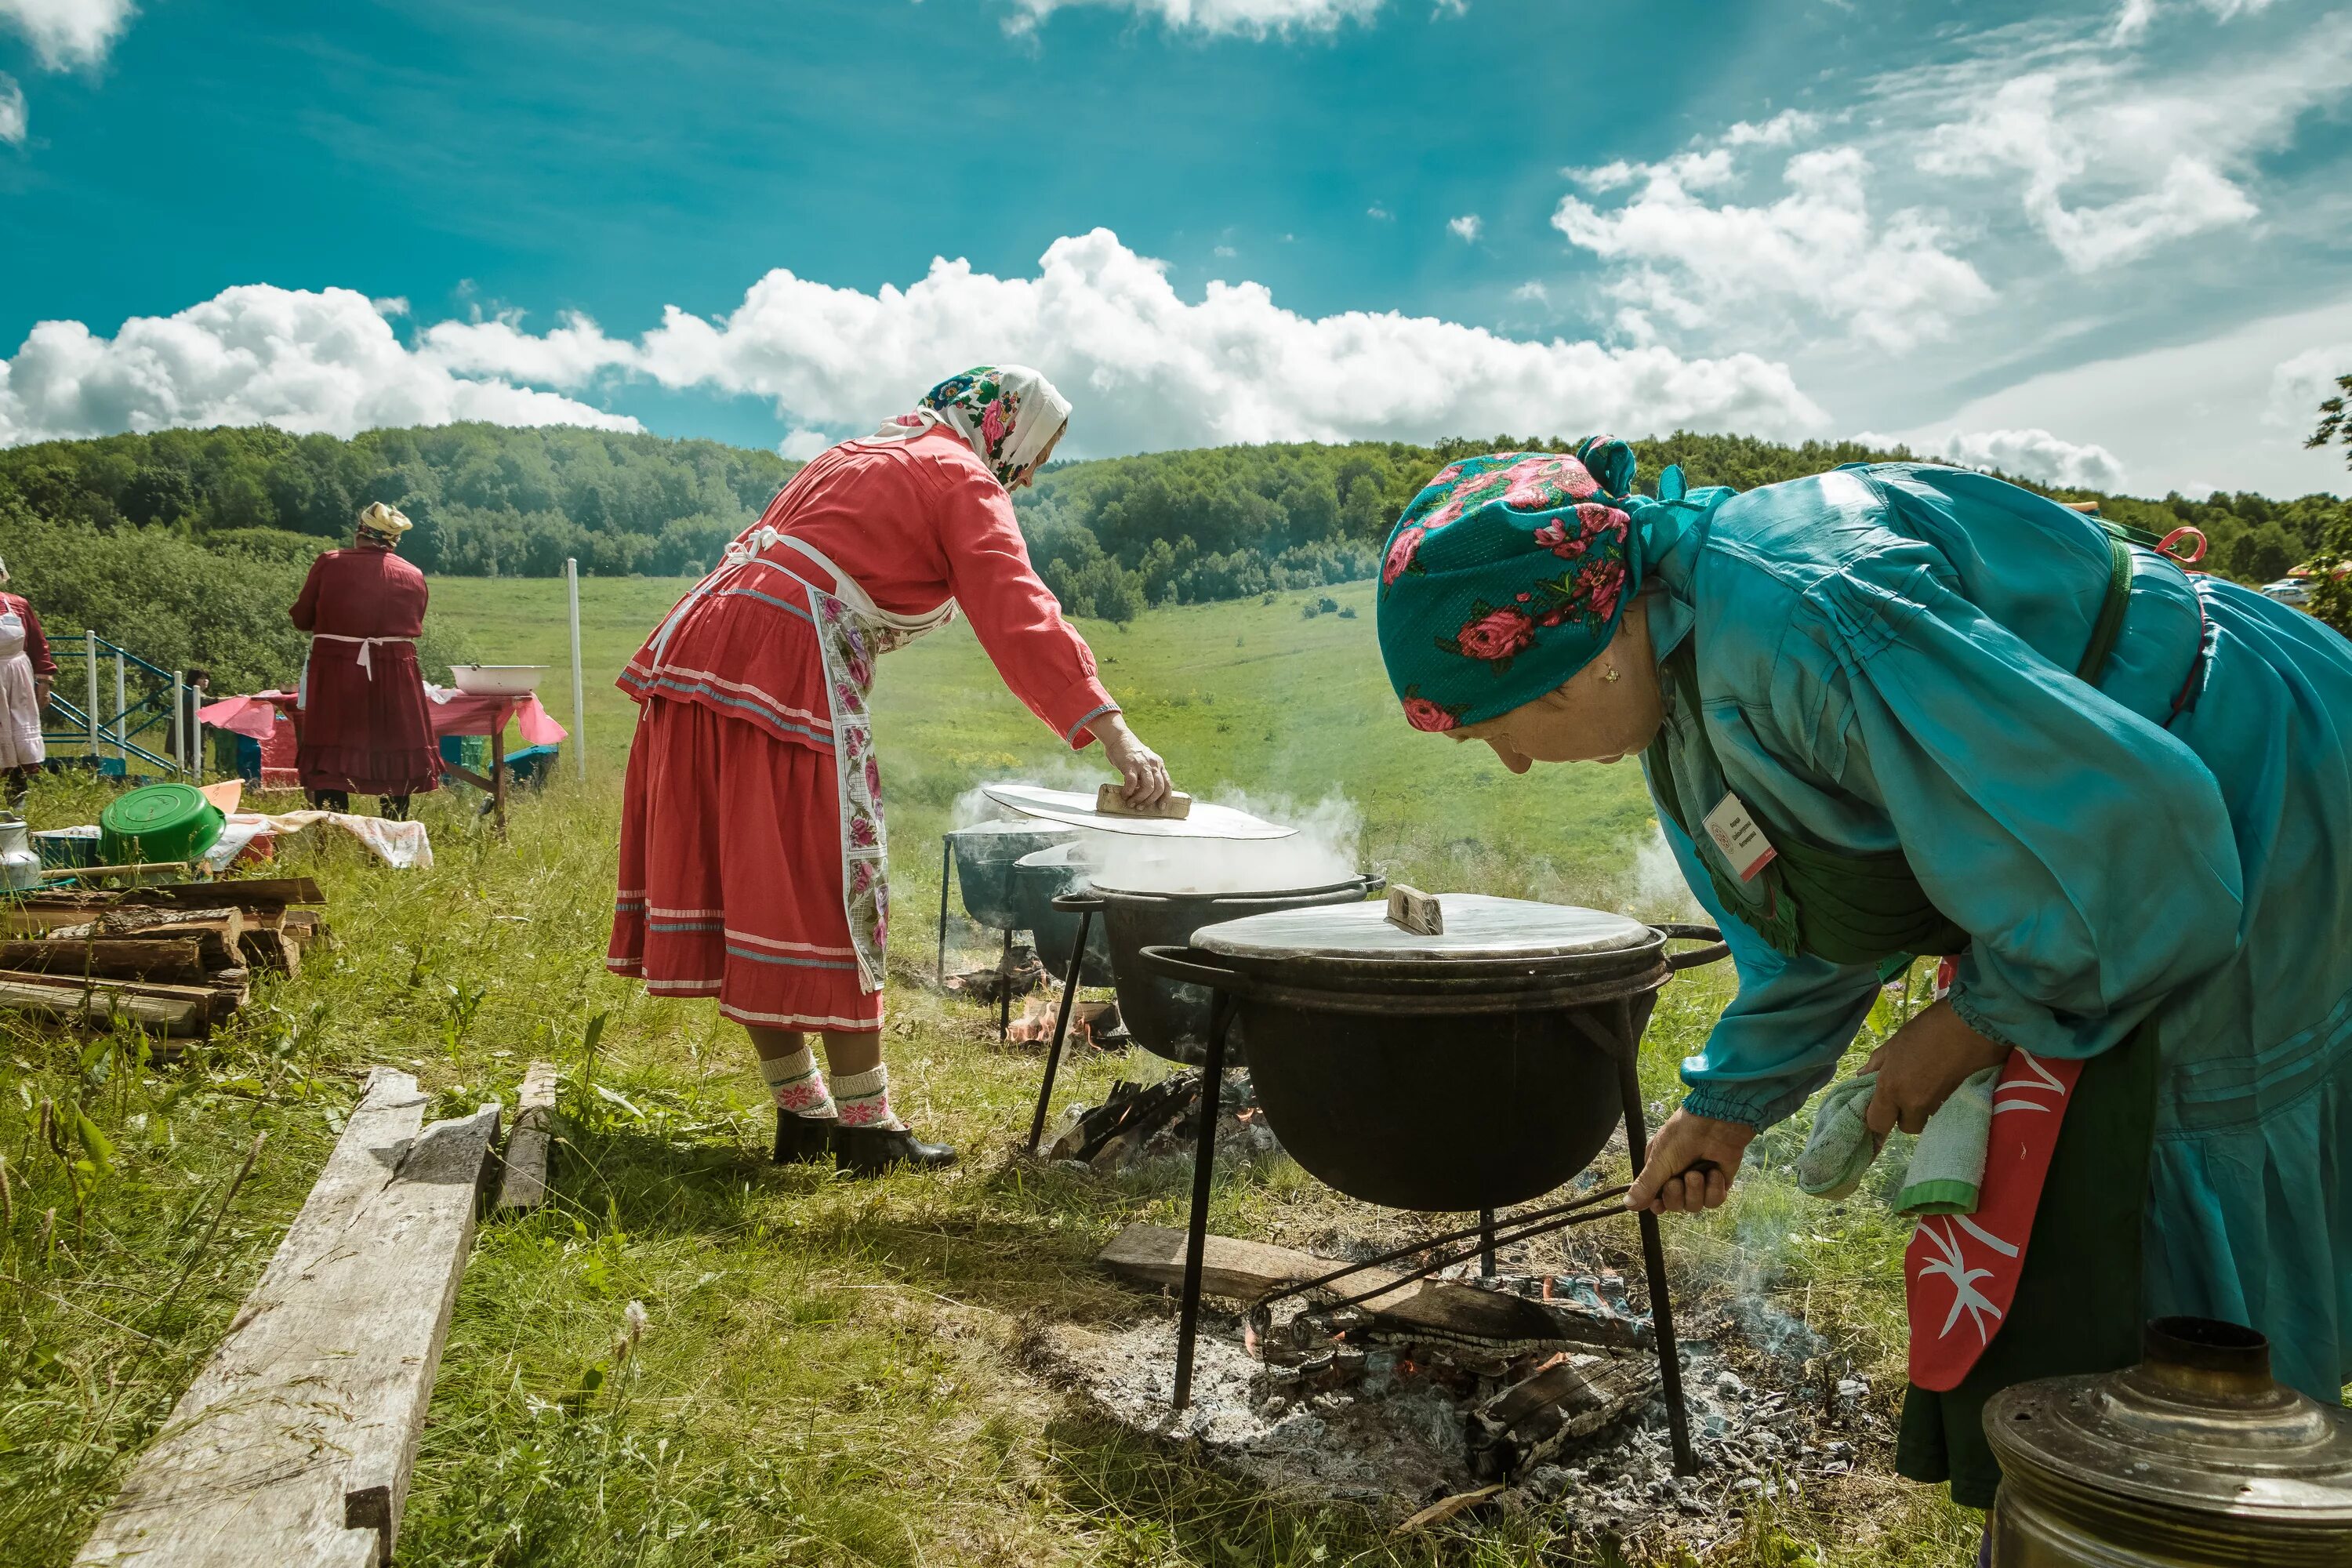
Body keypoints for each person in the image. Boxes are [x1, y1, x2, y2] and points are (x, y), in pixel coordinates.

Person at [1374, 439, 2352, 1525]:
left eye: (1494, 731)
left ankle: (2219, 1506)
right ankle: (2112, 1512)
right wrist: (1728, 1104)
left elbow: (2148, 853)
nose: (1510, 765)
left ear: (1579, 662)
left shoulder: (1811, 617)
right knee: (2089, 1147)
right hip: (2112, 844)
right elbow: (1817, 913)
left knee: (2168, 1158)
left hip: (2250, 780)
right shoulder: (1681, 684)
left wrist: (1972, 1024)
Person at [608, 366, 1170, 1176]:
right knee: (837, 874)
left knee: (754, 877)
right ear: (1004, 426)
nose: (1034, 473)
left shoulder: (862, 450)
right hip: (785, 656)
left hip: (701, 644)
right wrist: (1115, 733)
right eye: (1038, 450)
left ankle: (804, 1114)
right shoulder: (960, 474)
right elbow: (1019, 608)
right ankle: (867, 1127)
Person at [290, 504, 437, 818]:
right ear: (394, 540)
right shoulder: (413, 574)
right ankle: (394, 835)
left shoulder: (331, 563)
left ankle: (337, 830)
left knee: (333, 743)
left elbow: (302, 618)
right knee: (395, 744)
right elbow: (416, 619)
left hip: (338, 667)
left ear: (360, 532)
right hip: (396, 668)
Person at [0, 554, 55, 808]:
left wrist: (44, 683)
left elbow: (38, 644)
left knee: (17, 735)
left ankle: (17, 802)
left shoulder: (19, 605)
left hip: (16, 678)